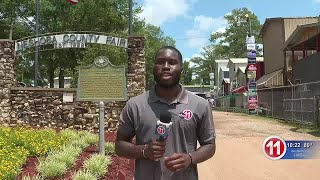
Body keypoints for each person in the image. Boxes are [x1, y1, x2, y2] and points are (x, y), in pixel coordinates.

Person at [115, 46, 216, 180]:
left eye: (172, 62)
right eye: (160, 62)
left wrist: (190, 158)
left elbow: (209, 145)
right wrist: (145, 151)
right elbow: (119, 146)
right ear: (153, 68)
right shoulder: (135, 105)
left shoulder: (200, 105)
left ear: (182, 69)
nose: (166, 66)